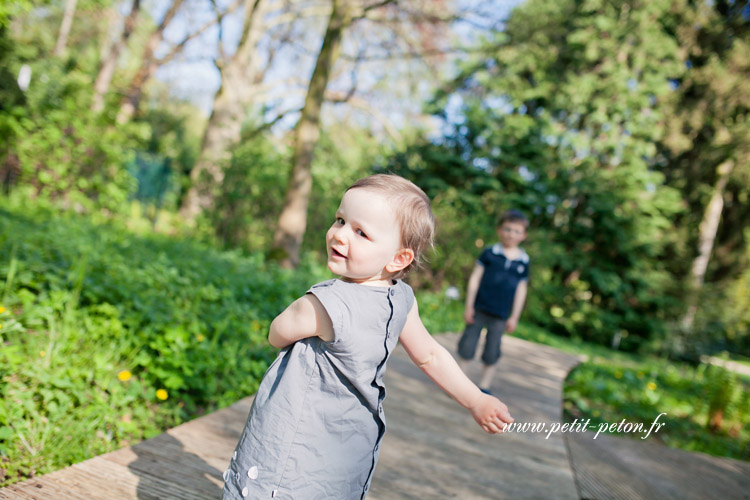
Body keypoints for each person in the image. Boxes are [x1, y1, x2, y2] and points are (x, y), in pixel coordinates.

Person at [222, 174, 513, 500]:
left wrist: (298, 312)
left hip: (294, 437)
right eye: (340, 220)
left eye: (361, 232)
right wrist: (475, 399)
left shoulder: (323, 304)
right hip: (348, 445)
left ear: (398, 258)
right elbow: (430, 354)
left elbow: (277, 334)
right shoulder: (402, 299)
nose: (340, 235)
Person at [457, 210, 530, 395]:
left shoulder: (523, 261)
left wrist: (514, 316)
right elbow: (475, 279)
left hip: (501, 314)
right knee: (468, 344)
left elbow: (521, 290)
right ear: (499, 230)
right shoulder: (490, 253)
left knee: (492, 349)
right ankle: (459, 383)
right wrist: (469, 306)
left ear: (524, 235)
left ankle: (485, 386)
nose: (511, 234)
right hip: (479, 308)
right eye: (507, 229)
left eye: (516, 231)